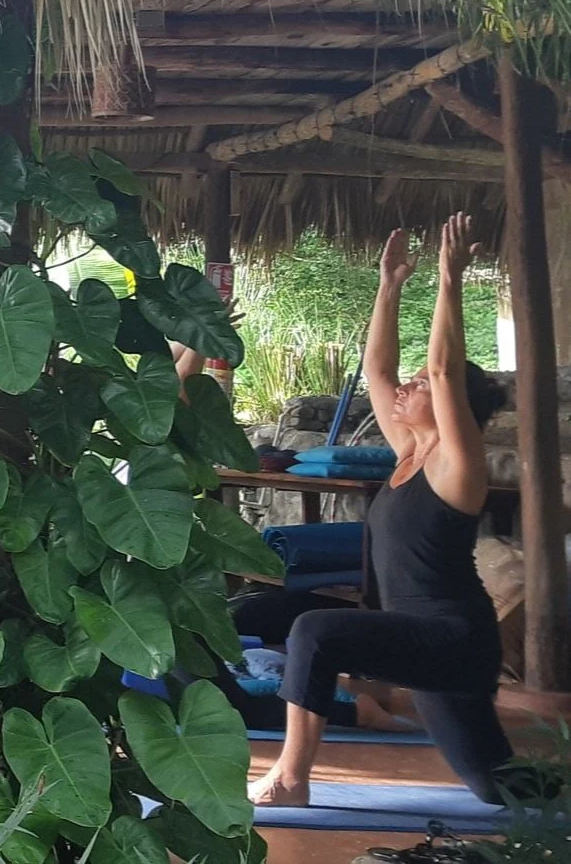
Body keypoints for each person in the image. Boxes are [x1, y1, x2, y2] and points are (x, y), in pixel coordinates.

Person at [250, 215, 515, 806]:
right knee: (506, 787)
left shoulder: (457, 465)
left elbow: (445, 369)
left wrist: (449, 281)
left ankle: (292, 780)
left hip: (452, 638)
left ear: (451, 406)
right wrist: (389, 286)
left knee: (315, 631)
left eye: (419, 385)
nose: (406, 387)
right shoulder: (408, 455)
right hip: (418, 635)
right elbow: (377, 371)